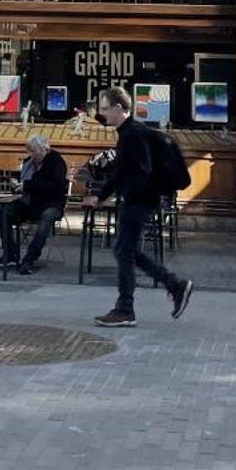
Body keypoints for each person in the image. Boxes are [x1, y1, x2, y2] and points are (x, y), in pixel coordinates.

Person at [90, 86, 192, 328]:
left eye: (105, 109)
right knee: (127, 251)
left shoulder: (133, 134)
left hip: (139, 202)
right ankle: (174, 286)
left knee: (124, 251)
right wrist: (102, 196)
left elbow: (141, 171)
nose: (103, 114)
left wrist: (125, 195)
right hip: (139, 201)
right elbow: (120, 173)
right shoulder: (129, 133)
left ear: (118, 108)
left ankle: (126, 308)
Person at [0, 133, 69, 274]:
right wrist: (16, 185)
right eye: (30, 151)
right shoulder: (29, 162)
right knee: (3, 210)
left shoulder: (56, 162)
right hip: (30, 203)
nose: (31, 154)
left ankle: (29, 259)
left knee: (46, 219)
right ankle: (10, 254)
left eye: (34, 151)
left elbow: (54, 187)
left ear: (44, 149)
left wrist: (27, 185)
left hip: (52, 204)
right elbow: (25, 183)